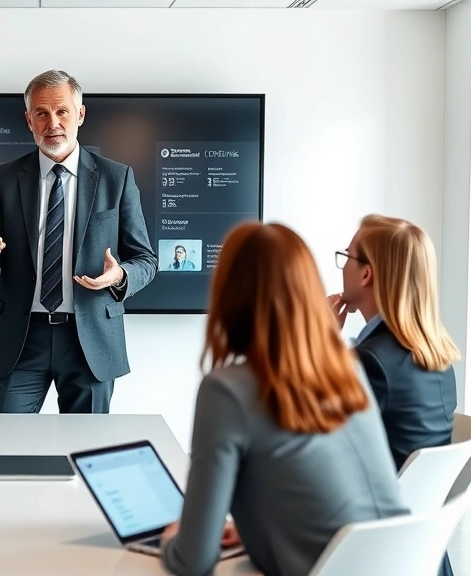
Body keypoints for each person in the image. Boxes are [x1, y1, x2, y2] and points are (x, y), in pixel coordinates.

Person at [159, 222, 409, 576]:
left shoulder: (227, 390)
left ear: (229, 294)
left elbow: (193, 561)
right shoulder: (347, 369)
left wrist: (172, 539)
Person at [0, 70, 157, 414]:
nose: (53, 123)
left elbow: (145, 260)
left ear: (80, 114)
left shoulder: (117, 178)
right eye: (41, 113)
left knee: (88, 452)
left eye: (62, 111)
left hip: (90, 339)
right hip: (20, 340)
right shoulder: (2, 179)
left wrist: (120, 276)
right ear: (29, 120)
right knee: (5, 448)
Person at [328, 214, 461, 576]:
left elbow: (311, 440)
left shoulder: (372, 361)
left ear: (366, 274)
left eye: (347, 257)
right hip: (423, 549)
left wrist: (319, 340)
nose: (343, 267)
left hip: (371, 546)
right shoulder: (438, 356)